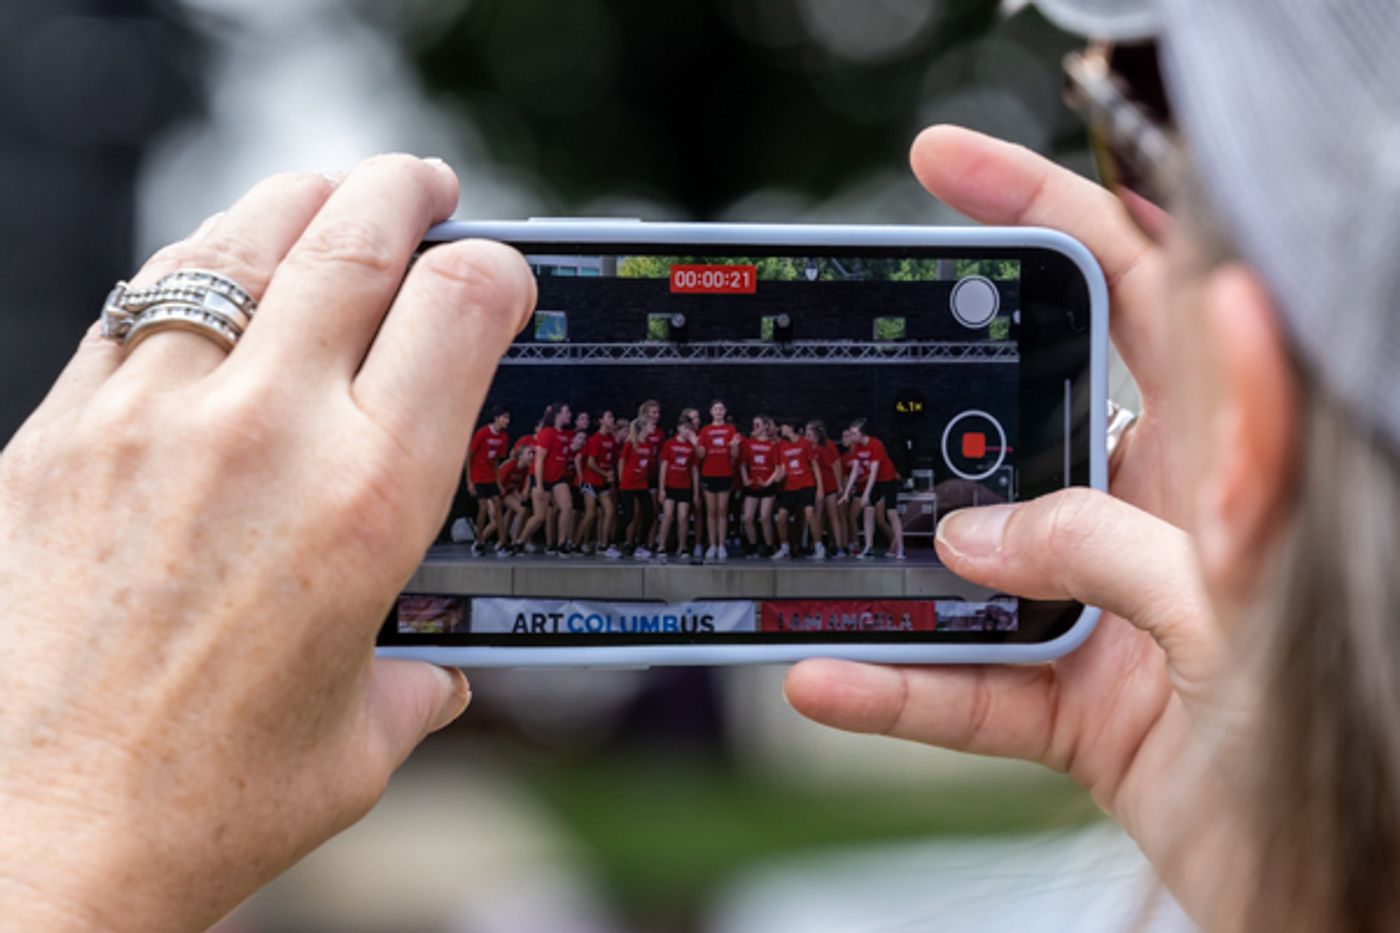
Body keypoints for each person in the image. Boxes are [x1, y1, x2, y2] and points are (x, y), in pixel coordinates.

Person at [841, 418, 904, 560]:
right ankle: (868, 547)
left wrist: (866, 494)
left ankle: (900, 546)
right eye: (850, 433)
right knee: (868, 512)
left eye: (854, 433)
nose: (851, 437)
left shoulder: (876, 445)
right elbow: (855, 471)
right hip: (875, 481)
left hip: (888, 479)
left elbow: (874, 472)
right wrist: (846, 493)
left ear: (862, 434)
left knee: (891, 512)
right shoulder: (857, 447)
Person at [771, 420, 824, 561]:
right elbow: (781, 467)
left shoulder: (805, 443)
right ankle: (784, 548)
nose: (781, 429)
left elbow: (815, 465)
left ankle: (819, 547)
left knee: (809, 514)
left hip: (806, 483)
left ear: (790, 427)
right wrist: (777, 477)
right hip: (790, 486)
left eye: (783, 426)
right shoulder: (781, 445)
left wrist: (820, 488)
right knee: (781, 517)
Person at [697, 399, 741, 561]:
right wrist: (696, 444)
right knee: (711, 510)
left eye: (721, 408)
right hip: (708, 473)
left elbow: (734, 456)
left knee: (722, 510)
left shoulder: (730, 430)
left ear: (725, 411)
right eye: (715, 408)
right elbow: (701, 455)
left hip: (725, 473)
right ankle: (712, 544)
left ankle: (721, 545)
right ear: (711, 412)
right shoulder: (705, 430)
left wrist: (734, 445)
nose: (718, 411)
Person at [465, 405, 511, 555]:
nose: (507, 421)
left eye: (508, 418)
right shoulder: (483, 433)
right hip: (477, 476)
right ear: (496, 418)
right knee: (483, 506)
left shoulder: (503, 437)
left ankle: (503, 542)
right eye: (504, 417)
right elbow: (469, 456)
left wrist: (498, 481)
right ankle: (479, 541)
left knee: (498, 505)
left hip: (490, 476)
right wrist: (469, 481)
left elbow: (497, 460)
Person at [656, 414, 700, 562]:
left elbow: (694, 470)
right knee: (668, 515)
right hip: (670, 485)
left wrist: (695, 493)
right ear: (678, 428)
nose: (686, 431)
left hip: (685, 486)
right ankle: (661, 545)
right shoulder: (669, 444)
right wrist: (661, 489)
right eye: (684, 428)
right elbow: (664, 467)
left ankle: (682, 546)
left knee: (683, 517)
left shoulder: (691, 447)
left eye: (689, 428)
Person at [575, 409, 618, 556]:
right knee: (590, 514)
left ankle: (603, 544)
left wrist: (611, 473)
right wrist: (605, 473)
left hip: (603, 483)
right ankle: (576, 543)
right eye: (608, 417)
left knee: (610, 510)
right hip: (591, 482)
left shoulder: (611, 439)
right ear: (601, 421)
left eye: (612, 417)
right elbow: (591, 463)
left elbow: (611, 460)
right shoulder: (595, 439)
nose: (611, 419)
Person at [740, 414, 781, 558]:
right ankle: (752, 545)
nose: (755, 428)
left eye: (758, 425)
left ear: (765, 426)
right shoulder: (749, 443)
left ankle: (769, 546)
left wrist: (767, 483)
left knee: (764, 517)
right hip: (752, 484)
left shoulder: (773, 444)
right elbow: (743, 464)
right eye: (753, 425)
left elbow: (778, 468)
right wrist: (745, 480)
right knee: (748, 518)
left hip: (767, 484)